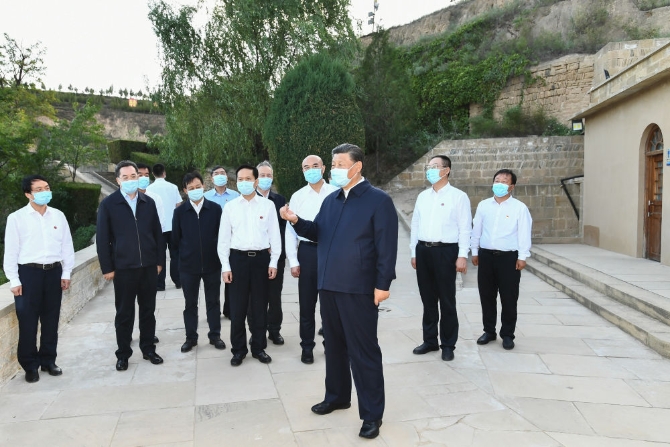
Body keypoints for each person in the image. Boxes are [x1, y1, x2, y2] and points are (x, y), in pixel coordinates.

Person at [280, 143, 398, 440]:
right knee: (333, 346)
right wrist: (296, 221)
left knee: (363, 351)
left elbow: (387, 247)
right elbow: (317, 233)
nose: (334, 170)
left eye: (340, 164)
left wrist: (383, 285)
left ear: (357, 167)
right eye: (333, 165)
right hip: (329, 285)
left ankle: (372, 414)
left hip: (358, 289)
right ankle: (337, 396)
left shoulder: (378, 200)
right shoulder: (331, 200)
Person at [3, 175, 75, 383]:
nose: (45, 192)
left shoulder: (58, 216)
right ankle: (30, 365)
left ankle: (48, 361)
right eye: (39, 189)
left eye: (47, 187)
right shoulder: (17, 218)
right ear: (28, 194)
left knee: (51, 320)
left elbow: (67, 246)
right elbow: (11, 251)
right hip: (28, 274)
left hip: (53, 272)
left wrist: (66, 273)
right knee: (28, 321)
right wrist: (14, 280)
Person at [97, 160, 165, 371]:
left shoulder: (148, 202)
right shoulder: (109, 204)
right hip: (124, 268)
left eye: (133, 176)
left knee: (148, 311)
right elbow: (102, 239)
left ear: (139, 177)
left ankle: (148, 349)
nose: (130, 180)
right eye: (125, 177)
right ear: (118, 180)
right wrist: (107, 267)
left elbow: (157, 234)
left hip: (148, 267)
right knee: (124, 313)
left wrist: (159, 261)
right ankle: (123, 354)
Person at [217, 164, 281, 366]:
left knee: (259, 307)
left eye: (248, 179)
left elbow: (275, 236)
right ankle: (238, 350)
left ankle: (259, 348)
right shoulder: (230, 207)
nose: (244, 182)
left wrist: (274, 261)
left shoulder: (267, 206)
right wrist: (225, 266)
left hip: (261, 260)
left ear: (256, 181)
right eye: (240, 179)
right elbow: (223, 240)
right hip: (238, 261)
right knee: (237, 308)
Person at [410, 155, 471, 362]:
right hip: (423, 250)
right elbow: (415, 224)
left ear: (446, 170)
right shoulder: (422, 196)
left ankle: (448, 344)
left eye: (435, 166)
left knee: (446, 300)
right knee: (427, 299)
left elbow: (465, 228)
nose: (430, 170)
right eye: (428, 167)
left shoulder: (458, 197)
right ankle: (430, 341)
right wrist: (414, 252)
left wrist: (462, 255)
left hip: (446, 251)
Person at [471, 169, 532, 351]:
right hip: (486, 256)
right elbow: (476, 229)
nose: (499, 184)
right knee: (487, 296)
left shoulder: (519, 208)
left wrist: (522, 256)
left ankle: (507, 334)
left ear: (511, 187)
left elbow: (524, 233)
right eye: (497, 180)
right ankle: (489, 331)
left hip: (509, 258)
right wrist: (474, 251)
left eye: (504, 181)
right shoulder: (484, 205)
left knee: (509, 297)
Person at [285, 155, 337, 364]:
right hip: (307, 253)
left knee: (330, 305)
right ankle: (307, 347)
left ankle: (331, 346)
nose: (311, 170)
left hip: (331, 252)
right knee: (307, 304)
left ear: (323, 168)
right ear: (303, 171)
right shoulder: (298, 196)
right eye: (306, 167)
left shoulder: (335, 192)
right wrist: (293, 261)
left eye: (315, 166)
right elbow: (290, 231)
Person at [172, 172, 226, 353]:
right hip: (188, 267)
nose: (195, 190)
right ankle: (191, 338)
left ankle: (215, 335)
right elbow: (175, 241)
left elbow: (222, 237)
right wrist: (181, 263)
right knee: (190, 303)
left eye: (197, 186)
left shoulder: (215, 209)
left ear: (203, 186)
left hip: (212, 264)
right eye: (191, 188)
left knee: (213, 302)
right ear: (185, 190)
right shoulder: (179, 212)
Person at [253, 160, 286, 345]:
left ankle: (274, 330)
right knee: (256, 297)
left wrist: (275, 246)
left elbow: (283, 228)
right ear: (256, 178)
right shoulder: (249, 199)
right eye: (262, 175)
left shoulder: (279, 200)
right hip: (256, 257)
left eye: (269, 175)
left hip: (276, 256)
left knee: (274, 296)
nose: (266, 178)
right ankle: (256, 331)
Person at [204, 165, 240, 319]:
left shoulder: (236, 195)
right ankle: (213, 310)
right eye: (217, 173)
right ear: (212, 178)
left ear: (226, 176)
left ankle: (229, 309)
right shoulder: (205, 197)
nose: (220, 175)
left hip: (231, 241)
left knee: (231, 276)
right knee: (212, 279)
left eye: (223, 173)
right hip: (211, 240)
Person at [146, 163, 183, 291]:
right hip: (173, 226)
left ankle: (160, 284)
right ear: (164, 173)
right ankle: (178, 281)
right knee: (175, 254)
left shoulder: (149, 189)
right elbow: (178, 205)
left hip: (158, 228)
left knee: (159, 255)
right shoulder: (173, 187)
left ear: (153, 174)